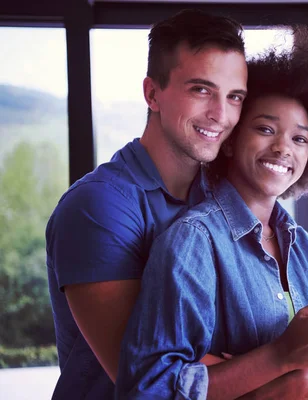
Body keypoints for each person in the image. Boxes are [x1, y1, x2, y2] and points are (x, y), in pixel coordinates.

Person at [115, 27, 308, 399]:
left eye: (300, 138)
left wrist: (300, 384)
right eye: (265, 129)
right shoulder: (193, 243)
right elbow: (148, 389)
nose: (283, 148)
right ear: (230, 142)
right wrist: (281, 356)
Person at [45, 9, 248, 399]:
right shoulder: (97, 208)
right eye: (201, 90)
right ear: (152, 93)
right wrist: (285, 361)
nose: (221, 115)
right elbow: (147, 375)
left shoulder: (225, 197)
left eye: (234, 96)